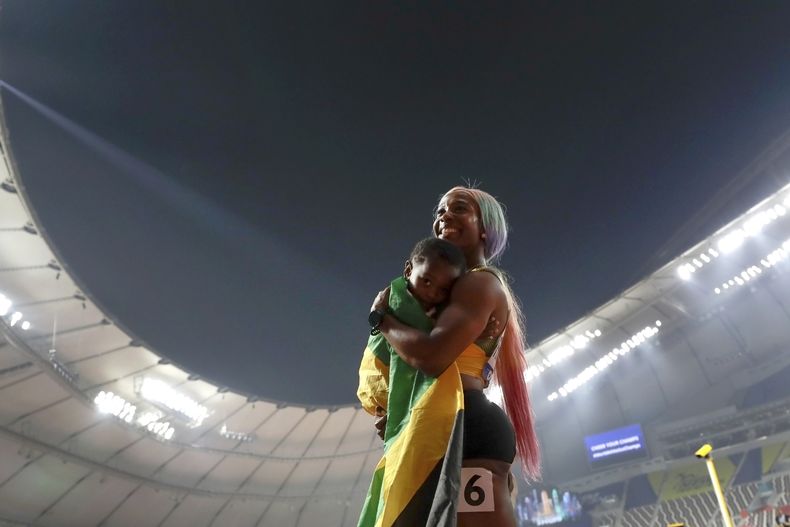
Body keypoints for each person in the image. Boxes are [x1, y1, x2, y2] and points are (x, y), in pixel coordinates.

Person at [358, 186, 541, 527]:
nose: (444, 216)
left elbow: (432, 357)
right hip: (448, 426)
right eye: (440, 210)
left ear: (485, 228)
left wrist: (381, 319)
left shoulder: (479, 284)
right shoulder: (455, 292)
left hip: (464, 426)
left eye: (459, 208)